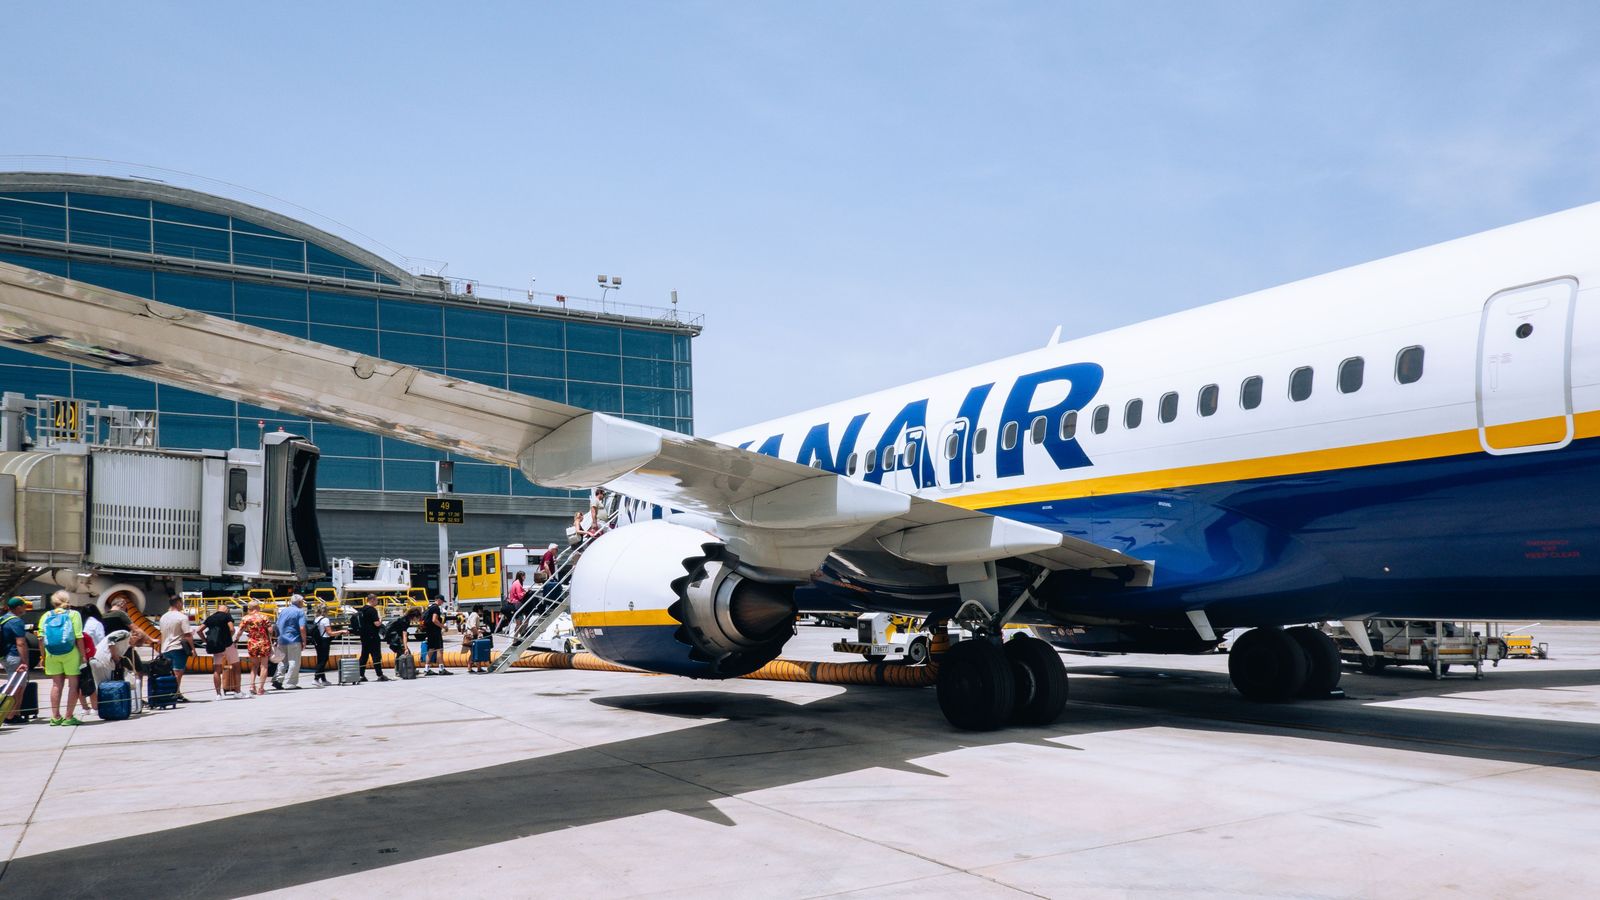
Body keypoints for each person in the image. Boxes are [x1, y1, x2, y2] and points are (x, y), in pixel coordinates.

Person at [39, 591, 85, 726]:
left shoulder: (46, 615)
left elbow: (41, 639)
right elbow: (78, 637)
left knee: (56, 685)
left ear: (53, 602)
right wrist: (83, 656)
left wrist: (43, 656)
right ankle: (69, 717)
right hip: (71, 653)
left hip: (52, 653)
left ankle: (55, 717)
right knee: (73, 685)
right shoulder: (74, 614)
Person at [157, 598, 196, 703]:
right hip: (178, 647)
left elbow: (162, 633)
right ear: (178, 603)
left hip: (165, 648)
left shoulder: (163, 617)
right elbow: (187, 635)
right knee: (178, 672)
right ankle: (175, 693)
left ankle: (173, 692)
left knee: (169, 672)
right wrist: (193, 649)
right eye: (182, 603)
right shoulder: (182, 617)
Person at [201, 603, 240, 698]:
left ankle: (218, 694)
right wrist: (227, 638)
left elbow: (199, 630)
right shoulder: (227, 616)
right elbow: (232, 629)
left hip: (216, 646)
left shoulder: (210, 618)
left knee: (217, 670)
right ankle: (237, 692)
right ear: (226, 609)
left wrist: (206, 641)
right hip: (227, 645)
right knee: (236, 667)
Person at [237, 600, 275, 696]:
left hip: (252, 643)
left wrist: (235, 640)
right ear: (257, 608)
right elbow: (270, 630)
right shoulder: (263, 617)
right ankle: (261, 689)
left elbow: (240, 631)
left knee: (254, 666)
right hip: (264, 643)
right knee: (264, 666)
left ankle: (252, 686)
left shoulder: (245, 618)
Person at [76, 605, 107, 716]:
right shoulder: (97, 624)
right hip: (93, 655)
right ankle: (95, 707)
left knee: (80, 682)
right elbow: (101, 640)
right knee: (92, 681)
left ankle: (85, 707)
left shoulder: (80, 624)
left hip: (78, 656)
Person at [273, 594, 308, 690]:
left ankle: (277, 679)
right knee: (294, 662)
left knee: (282, 661)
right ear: (299, 602)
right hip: (294, 639)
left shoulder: (284, 611)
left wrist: (277, 639)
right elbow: (302, 627)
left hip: (282, 639)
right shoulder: (300, 612)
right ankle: (290, 683)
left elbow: (277, 625)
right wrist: (304, 640)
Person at [351, 596, 386, 682]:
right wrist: (381, 620)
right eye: (377, 600)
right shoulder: (372, 610)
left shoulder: (362, 609)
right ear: (372, 600)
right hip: (373, 636)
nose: (377, 602)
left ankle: (360, 675)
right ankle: (380, 675)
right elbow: (377, 624)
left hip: (364, 636)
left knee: (364, 656)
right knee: (376, 656)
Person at [310, 603, 345, 685]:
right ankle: (316, 678)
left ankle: (323, 679)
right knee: (323, 660)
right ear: (325, 611)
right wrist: (341, 632)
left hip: (317, 641)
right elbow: (330, 633)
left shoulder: (316, 619)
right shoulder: (325, 620)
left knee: (320, 659)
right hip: (324, 641)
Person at [422, 596, 449, 676]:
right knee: (439, 649)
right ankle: (441, 669)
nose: (442, 603)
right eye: (442, 601)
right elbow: (434, 620)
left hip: (429, 632)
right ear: (438, 600)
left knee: (431, 649)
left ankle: (426, 669)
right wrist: (443, 626)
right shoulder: (436, 608)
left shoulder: (430, 607)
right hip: (435, 632)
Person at [1, 597, 27, 679]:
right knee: (17, 686)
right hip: (14, 655)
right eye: (24, 606)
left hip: (4, 655)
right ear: (19, 607)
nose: (25, 608)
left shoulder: (3, 619)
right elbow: (20, 643)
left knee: (12, 682)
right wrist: (24, 661)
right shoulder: (16, 621)